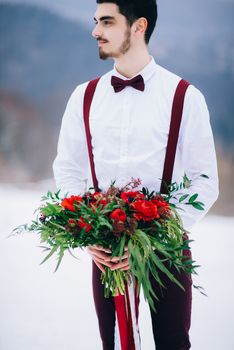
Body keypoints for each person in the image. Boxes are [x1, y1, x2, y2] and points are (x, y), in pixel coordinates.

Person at [53, 1, 219, 349]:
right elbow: (67, 169)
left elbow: (205, 181)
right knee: (114, 344)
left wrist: (157, 233)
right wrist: (87, 227)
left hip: (167, 249)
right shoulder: (83, 97)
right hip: (107, 250)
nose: (95, 31)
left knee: (173, 343)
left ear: (138, 26)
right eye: (96, 21)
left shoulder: (185, 97)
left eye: (107, 22)